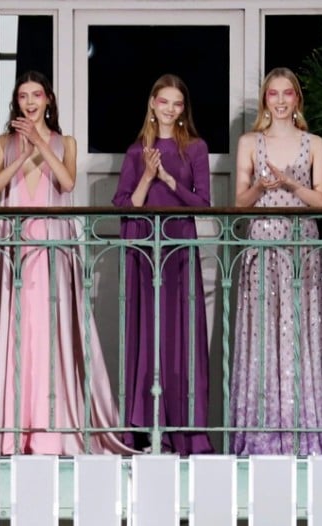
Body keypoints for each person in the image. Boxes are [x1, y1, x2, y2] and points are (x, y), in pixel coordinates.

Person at [0, 71, 129, 455]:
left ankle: (53, 426)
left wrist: (41, 146)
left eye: (37, 95)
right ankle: (16, 427)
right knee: (20, 332)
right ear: (16, 102)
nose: (30, 102)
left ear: (48, 100)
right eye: (23, 95)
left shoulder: (67, 143)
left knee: (51, 331)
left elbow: (66, 182)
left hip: (53, 249)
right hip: (18, 249)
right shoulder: (3, 143)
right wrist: (22, 155)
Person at [111, 74, 214, 454]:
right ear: (153, 104)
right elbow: (124, 204)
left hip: (178, 248)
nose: (170, 109)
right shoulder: (135, 151)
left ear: (183, 109)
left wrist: (169, 180)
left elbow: (203, 204)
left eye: (177, 103)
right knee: (147, 334)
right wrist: (148, 176)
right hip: (144, 249)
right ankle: (145, 429)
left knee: (179, 334)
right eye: (164, 101)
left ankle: (183, 431)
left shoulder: (196, 148)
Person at [230, 67, 322, 455]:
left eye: (288, 93)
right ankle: (262, 432)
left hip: (301, 246)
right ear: (265, 100)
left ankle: (301, 430)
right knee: (263, 334)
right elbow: (239, 203)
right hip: (262, 244)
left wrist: (292, 184)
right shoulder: (249, 142)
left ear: (297, 98)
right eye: (274, 94)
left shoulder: (314, 143)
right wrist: (260, 185)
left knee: (300, 334)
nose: (281, 100)